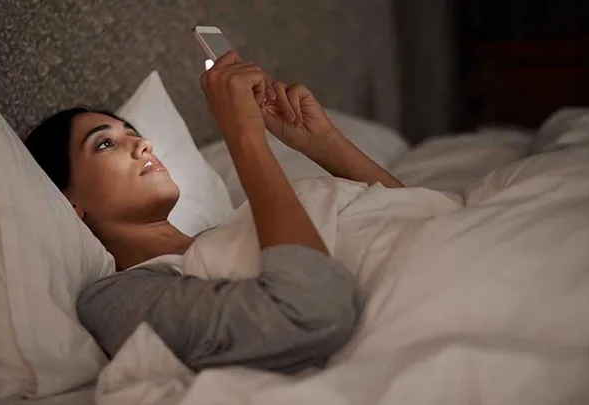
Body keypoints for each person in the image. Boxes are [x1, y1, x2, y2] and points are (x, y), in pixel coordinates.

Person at [24, 51, 404, 374]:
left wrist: (324, 143)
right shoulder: (114, 300)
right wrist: (243, 135)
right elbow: (312, 312)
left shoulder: (230, 234)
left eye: (133, 133)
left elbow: (414, 212)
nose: (143, 143)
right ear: (69, 203)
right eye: (105, 143)